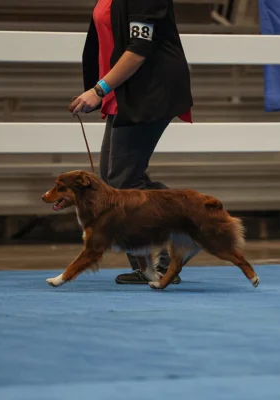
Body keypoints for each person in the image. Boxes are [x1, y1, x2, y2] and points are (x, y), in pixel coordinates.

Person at [69, 0, 193, 284]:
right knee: (114, 181)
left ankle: (171, 252)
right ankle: (170, 244)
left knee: (123, 181)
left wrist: (99, 89)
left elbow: (138, 50)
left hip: (149, 93)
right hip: (124, 93)